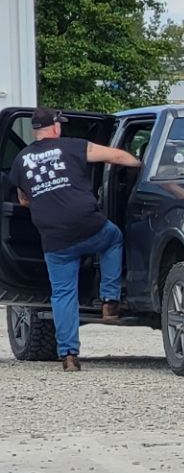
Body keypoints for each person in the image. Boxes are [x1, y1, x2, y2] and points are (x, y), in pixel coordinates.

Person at [7, 107, 141, 370]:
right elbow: (115, 155)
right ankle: (109, 302)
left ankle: (69, 356)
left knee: (62, 294)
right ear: (55, 128)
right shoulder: (71, 146)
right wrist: (140, 165)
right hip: (89, 226)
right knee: (113, 239)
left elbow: (23, 198)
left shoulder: (21, 159)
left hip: (55, 239)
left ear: (36, 130)